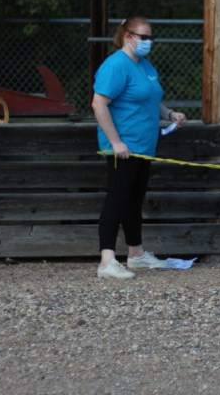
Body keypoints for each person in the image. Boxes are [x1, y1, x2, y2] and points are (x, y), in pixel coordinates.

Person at [91, 16, 187, 279]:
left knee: (134, 201)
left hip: (144, 146)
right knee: (117, 200)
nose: (148, 42)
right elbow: (99, 104)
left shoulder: (144, 65)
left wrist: (169, 115)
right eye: (143, 37)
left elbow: (151, 99)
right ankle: (106, 260)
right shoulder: (116, 65)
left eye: (150, 37)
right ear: (128, 37)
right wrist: (115, 141)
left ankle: (136, 254)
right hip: (122, 147)